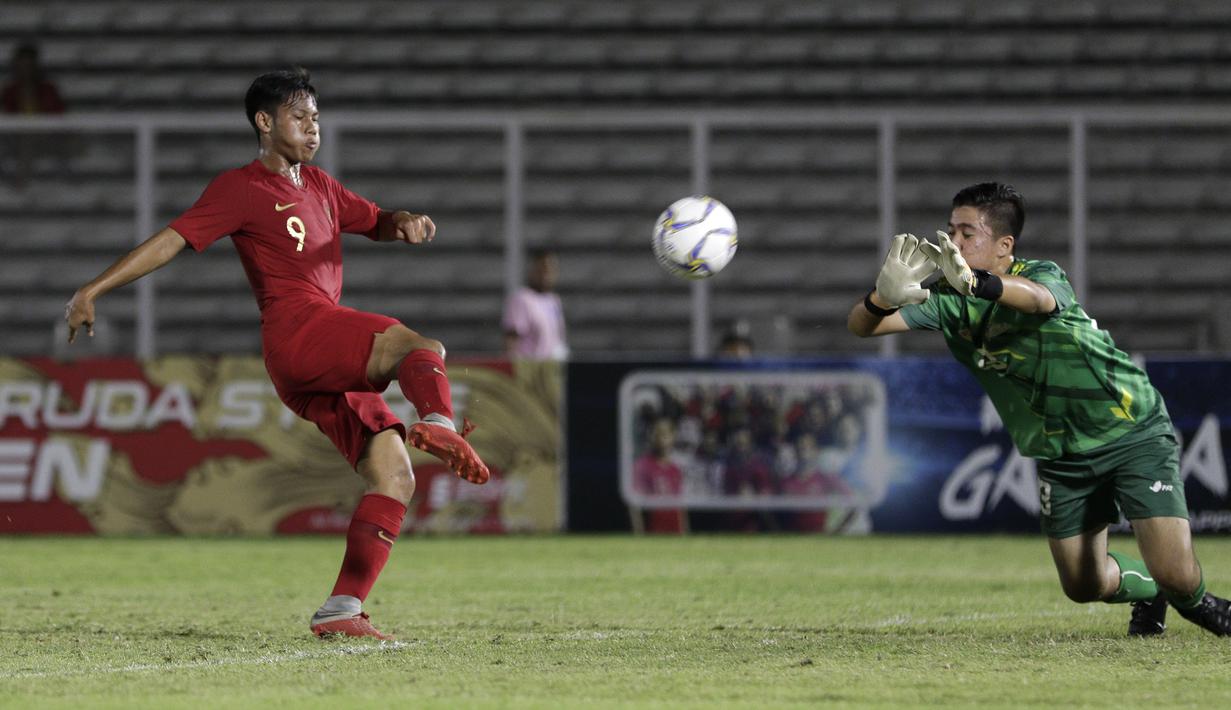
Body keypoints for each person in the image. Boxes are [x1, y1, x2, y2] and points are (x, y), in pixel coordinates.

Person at [63, 67, 490, 641]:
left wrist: (404, 221)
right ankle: (437, 420)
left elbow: (377, 221)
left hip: (308, 366)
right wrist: (93, 289)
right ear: (265, 123)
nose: (313, 128)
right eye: (299, 116)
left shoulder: (319, 186)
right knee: (417, 346)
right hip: (299, 332)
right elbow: (171, 239)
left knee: (393, 475)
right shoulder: (239, 188)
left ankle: (341, 609)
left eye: (316, 117)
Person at [848, 181, 1231, 637]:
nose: (952, 242)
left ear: (1004, 245)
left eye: (967, 234)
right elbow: (863, 327)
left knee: (1180, 577)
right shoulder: (950, 304)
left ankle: (1200, 603)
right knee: (1082, 585)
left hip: (1129, 430)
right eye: (950, 230)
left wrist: (978, 283)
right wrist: (881, 298)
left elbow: (1039, 300)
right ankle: (1152, 591)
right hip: (1061, 454)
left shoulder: (1042, 274)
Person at [2, 42, 66, 189]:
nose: (26, 70)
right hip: (16, 139)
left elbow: (60, 115)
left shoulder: (48, 90)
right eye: (22, 65)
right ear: (16, 66)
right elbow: (6, 116)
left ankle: (21, 186)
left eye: (29, 65)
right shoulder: (10, 91)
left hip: (47, 137)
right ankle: (20, 186)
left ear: (35, 66)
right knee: (25, 142)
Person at [503, 247, 567, 360]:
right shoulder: (522, 299)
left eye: (551, 269)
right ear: (532, 270)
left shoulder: (554, 301)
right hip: (530, 371)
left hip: (549, 371)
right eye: (542, 269)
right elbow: (511, 343)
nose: (546, 274)